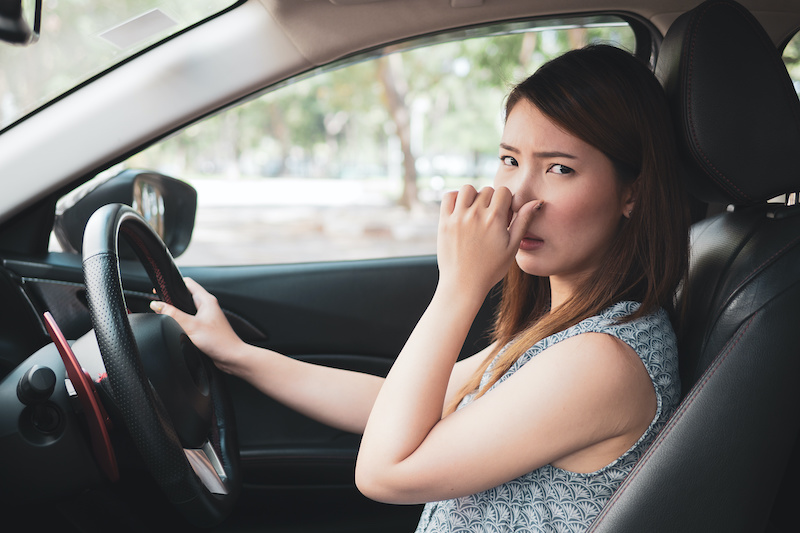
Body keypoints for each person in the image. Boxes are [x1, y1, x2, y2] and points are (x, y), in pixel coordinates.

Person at [151, 44, 690, 532]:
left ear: (632, 195)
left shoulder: (602, 359)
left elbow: (385, 473)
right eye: (509, 160)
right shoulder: (567, 330)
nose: (517, 196)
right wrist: (240, 357)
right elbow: (401, 407)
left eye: (559, 169)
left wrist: (460, 285)